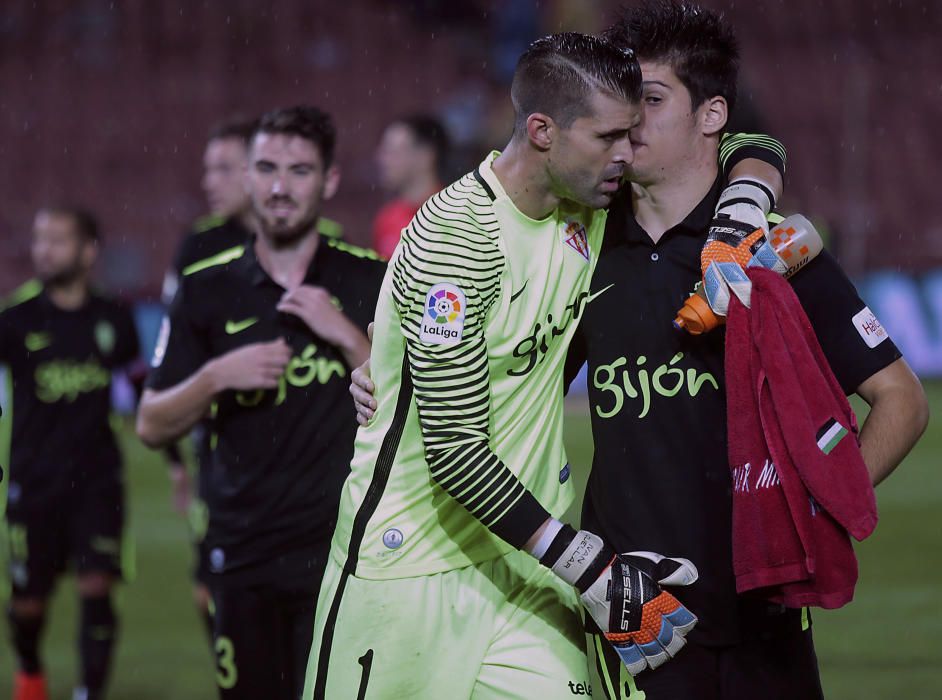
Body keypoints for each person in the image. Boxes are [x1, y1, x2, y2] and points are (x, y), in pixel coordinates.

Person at [305, 33, 764, 699]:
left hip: (524, 565)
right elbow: (457, 452)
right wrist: (595, 570)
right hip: (407, 571)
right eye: (608, 136)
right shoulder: (457, 243)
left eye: (631, 133)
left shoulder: (589, 206)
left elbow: (754, 147)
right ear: (543, 131)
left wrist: (745, 205)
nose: (625, 155)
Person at [564, 3, 928, 698]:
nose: (628, 119)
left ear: (711, 115)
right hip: (640, 617)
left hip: (766, 615)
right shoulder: (583, 252)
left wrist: (815, 509)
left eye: (651, 98)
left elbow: (902, 400)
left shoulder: (770, 253)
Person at [137, 105, 385, 700]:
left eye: (299, 171)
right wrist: (216, 376)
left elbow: (412, 404)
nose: (279, 187)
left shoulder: (370, 282)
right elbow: (150, 424)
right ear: (247, 177)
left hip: (342, 553)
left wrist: (344, 334)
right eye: (267, 168)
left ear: (328, 181)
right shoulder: (204, 289)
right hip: (240, 554)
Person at [1, 207, 142, 700]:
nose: (44, 249)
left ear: (88, 252)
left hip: (98, 483)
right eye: (40, 239)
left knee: (97, 587)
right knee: (29, 604)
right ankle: (31, 671)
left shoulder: (115, 318)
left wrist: (171, 458)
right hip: (32, 482)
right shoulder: (15, 319)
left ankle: (89, 692)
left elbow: (139, 382)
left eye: (58, 240)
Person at [159, 114, 260, 642]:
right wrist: (175, 460)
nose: (209, 181)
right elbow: (168, 363)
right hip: (219, 446)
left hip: (299, 443)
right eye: (208, 169)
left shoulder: (320, 243)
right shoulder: (196, 248)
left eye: (223, 168)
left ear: (256, 171)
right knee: (211, 589)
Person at [370, 114, 448, 258]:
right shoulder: (386, 219)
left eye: (393, 151)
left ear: (425, 156)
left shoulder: (454, 215)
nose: (381, 159)